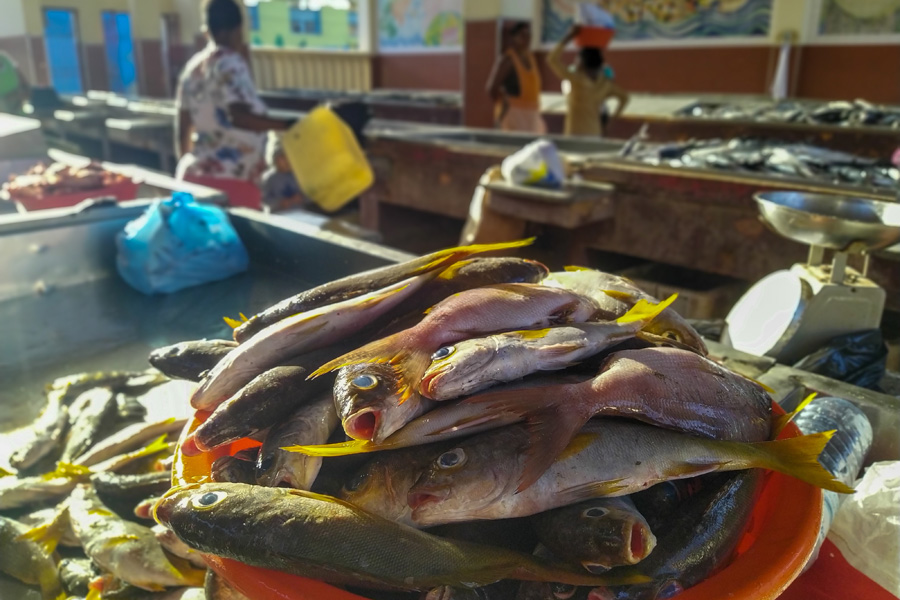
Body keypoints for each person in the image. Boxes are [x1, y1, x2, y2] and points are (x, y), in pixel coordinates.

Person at [175, 0, 293, 183]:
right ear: (237, 30)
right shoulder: (231, 62)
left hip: (193, 177)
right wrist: (288, 125)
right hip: (232, 181)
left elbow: (183, 129)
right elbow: (239, 117)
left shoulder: (193, 68)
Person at [548, 25, 629, 136]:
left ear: (583, 61)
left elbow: (552, 59)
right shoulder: (605, 84)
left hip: (574, 134)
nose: (575, 62)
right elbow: (624, 98)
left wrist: (569, 36)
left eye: (577, 59)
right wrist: (612, 121)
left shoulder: (575, 79)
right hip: (594, 133)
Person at [486, 22, 546, 134]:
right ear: (514, 38)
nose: (527, 39)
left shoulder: (531, 57)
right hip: (514, 116)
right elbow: (492, 88)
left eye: (529, 35)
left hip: (531, 117)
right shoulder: (508, 60)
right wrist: (505, 102)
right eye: (522, 35)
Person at [260, 132, 307, 213]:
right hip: (278, 216)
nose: (287, 161)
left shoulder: (299, 176)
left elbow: (309, 195)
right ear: (275, 159)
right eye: (283, 157)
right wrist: (280, 203)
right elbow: (265, 200)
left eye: (289, 157)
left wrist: (301, 198)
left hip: (299, 215)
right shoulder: (270, 178)